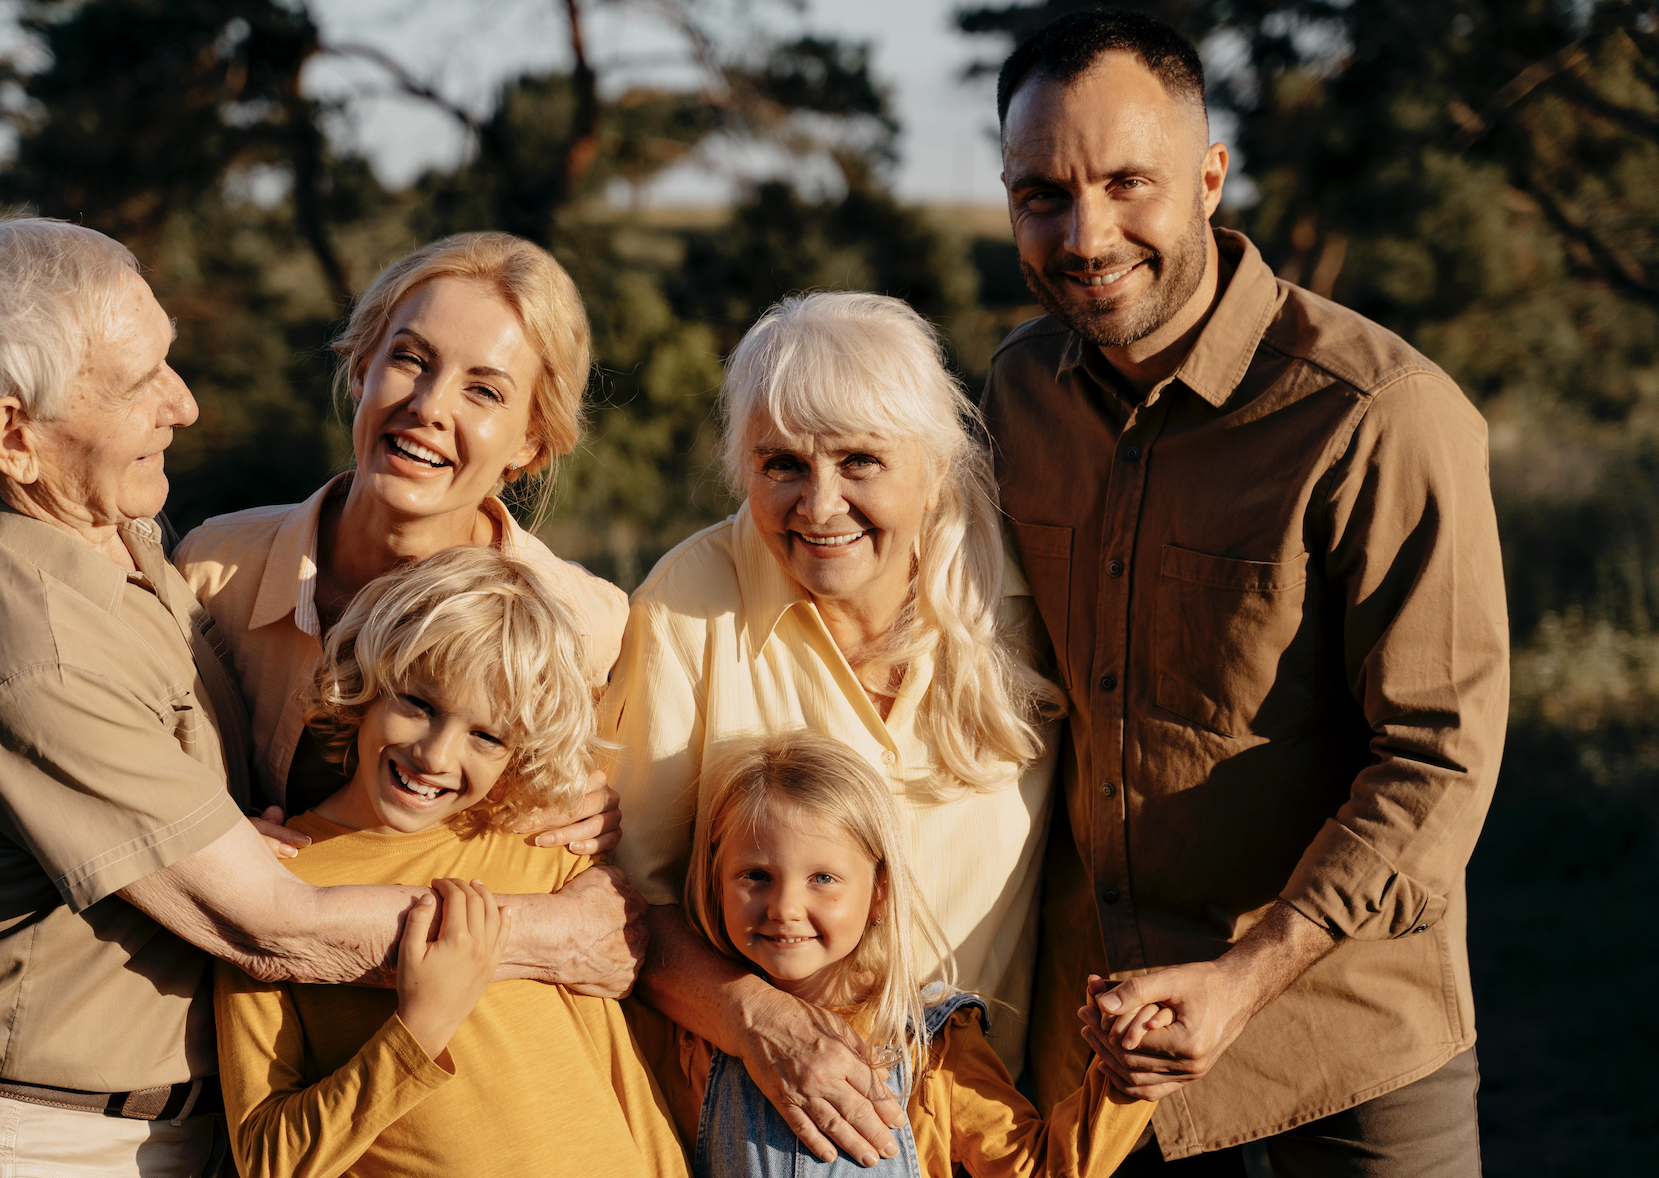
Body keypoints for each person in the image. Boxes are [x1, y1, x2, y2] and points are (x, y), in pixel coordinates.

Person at [0, 218, 642, 1178]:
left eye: (485, 388)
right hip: (54, 1135)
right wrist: (560, 932)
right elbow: (265, 922)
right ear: (14, 437)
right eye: (139, 381)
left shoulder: (125, 534)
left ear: (535, 439)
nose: (184, 406)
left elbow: (665, 884)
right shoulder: (187, 581)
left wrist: (604, 836)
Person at [982, 11, 1508, 1175]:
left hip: (1348, 1041)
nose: (1087, 234)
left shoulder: (1377, 414)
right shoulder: (1015, 397)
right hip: (1099, 1047)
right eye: (1043, 195)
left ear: (1210, 178)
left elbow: (1439, 758)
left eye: (1130, 182)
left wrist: (1247, 972)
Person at [607, 291, 1061, 1169]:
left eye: (860, 461)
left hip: (987, 1129)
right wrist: (763, 1022)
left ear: (933, 466)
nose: (820, 505)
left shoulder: (1027, 598)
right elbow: (625, 897)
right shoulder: (688, 604)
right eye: (781, 464)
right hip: (763, 1135)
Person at [216, 546, 687, 1178]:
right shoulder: (270, 881)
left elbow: (623, 1077)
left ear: (518, 751)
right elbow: (268, 1158)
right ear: (368, 681)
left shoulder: (547, 850)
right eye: (418, 703)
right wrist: (417, 1030)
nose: (436, 756)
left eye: (486, 735)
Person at [175, 231, 627, 857]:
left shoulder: (590, 628)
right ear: (361, 368)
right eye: (410, 359)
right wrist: (200, 843)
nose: (430, 405)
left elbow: (602, 834)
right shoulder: (211, 572)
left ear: (530, 443)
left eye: (484, 391)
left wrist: (609, 815)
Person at [672, 730, 1153, 1178]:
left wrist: (1128, 1073)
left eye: (822, 878)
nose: (784, 908)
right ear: (715, 880)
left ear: (879, 891)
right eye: (756, 875)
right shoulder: (690, 1032)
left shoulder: (933, 1046)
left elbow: (1037, 1167)